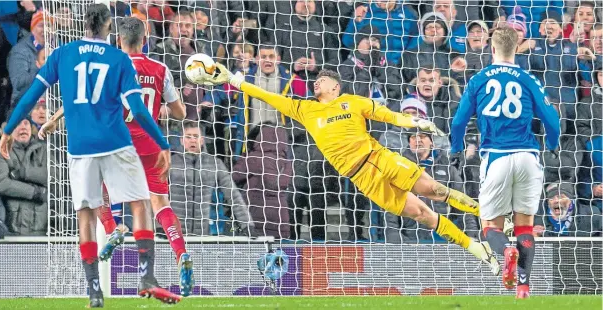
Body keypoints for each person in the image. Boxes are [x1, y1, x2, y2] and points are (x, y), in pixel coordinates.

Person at [193, 63, 501, 275]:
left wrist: (414, 122)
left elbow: (387, 115)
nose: (316, 82)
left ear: (336, 86)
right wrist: (231, 80)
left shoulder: (353, 102)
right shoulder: (305, 109)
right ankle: (478, 250)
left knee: (435, 191)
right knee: (421, 214)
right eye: (315, 80)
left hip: (378, 157)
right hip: (361, 177)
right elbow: (266, 95)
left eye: (322, 80)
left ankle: (491, 218)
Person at [0, 4, 180, 307]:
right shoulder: (118, 58)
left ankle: (94, 290)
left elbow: (31, 93)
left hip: (81, 148)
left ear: (84, 25)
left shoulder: (62, 55)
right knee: (140, 203)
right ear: (110, 27)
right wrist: (162, 143)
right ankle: (147, 277)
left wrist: (9, 128)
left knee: (86, 214)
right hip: (116, 142)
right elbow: (137, 109)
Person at [40, 16, 193, 297]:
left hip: (118, 145)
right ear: (145, 40)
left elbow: (89, 100)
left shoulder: (112, 65)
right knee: (159, 204)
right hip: (150, 148)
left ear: (118, 40)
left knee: (95, 190)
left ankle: (113, 228)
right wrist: (156, 108)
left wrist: (54, 119)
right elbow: (181, 113)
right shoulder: (160, 69)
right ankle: (180, 252)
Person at [450, 26, 561, 299]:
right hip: (528, 157)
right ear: (517, 47)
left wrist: (456, 148)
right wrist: (554, 144)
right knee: (524, 225)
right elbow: (552, 119)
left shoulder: (478, 79)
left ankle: (505, 251)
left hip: (496, 156)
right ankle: (523, 286)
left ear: (491, 48)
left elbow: (458, 121)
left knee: (490, 226)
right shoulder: (527, 79)